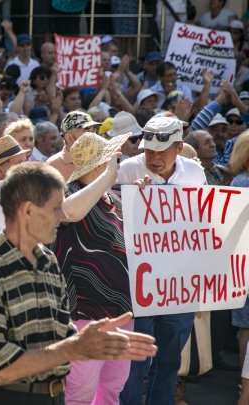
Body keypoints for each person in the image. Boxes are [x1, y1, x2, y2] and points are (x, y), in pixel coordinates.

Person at [0, 162, 157, 405]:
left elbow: (61, 333)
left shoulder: (48, 261)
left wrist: (97, 340)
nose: (63, 217)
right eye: (55, 208)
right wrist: (75, 348)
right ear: (28, 210)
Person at [118, 116, 207, 405]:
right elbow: (113, 223)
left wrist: (201, 287)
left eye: (162, 151)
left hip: (178, 285)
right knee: (135, 361)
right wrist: (135, 202)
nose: (154, 158)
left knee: (169, 360)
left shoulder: (194, 172)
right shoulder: (128, 169)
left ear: (179, 147)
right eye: (149, 151)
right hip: (139, 282)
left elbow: (206, 227)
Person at [50, 133, 134, 405]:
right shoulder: (67, 192)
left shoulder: (113, 199)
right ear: (100, 165)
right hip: (85, 313)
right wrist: (108, 176)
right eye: (111, 159)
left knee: (112, 388)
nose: (117, 163)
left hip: (121, 310)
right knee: (80, 393)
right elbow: (70, 213)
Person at [47, 111, 101, 180]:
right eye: (86, 131)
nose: (93, 135)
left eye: (94, 129)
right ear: (69, 138)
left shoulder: (101, 159)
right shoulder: (53, 166)